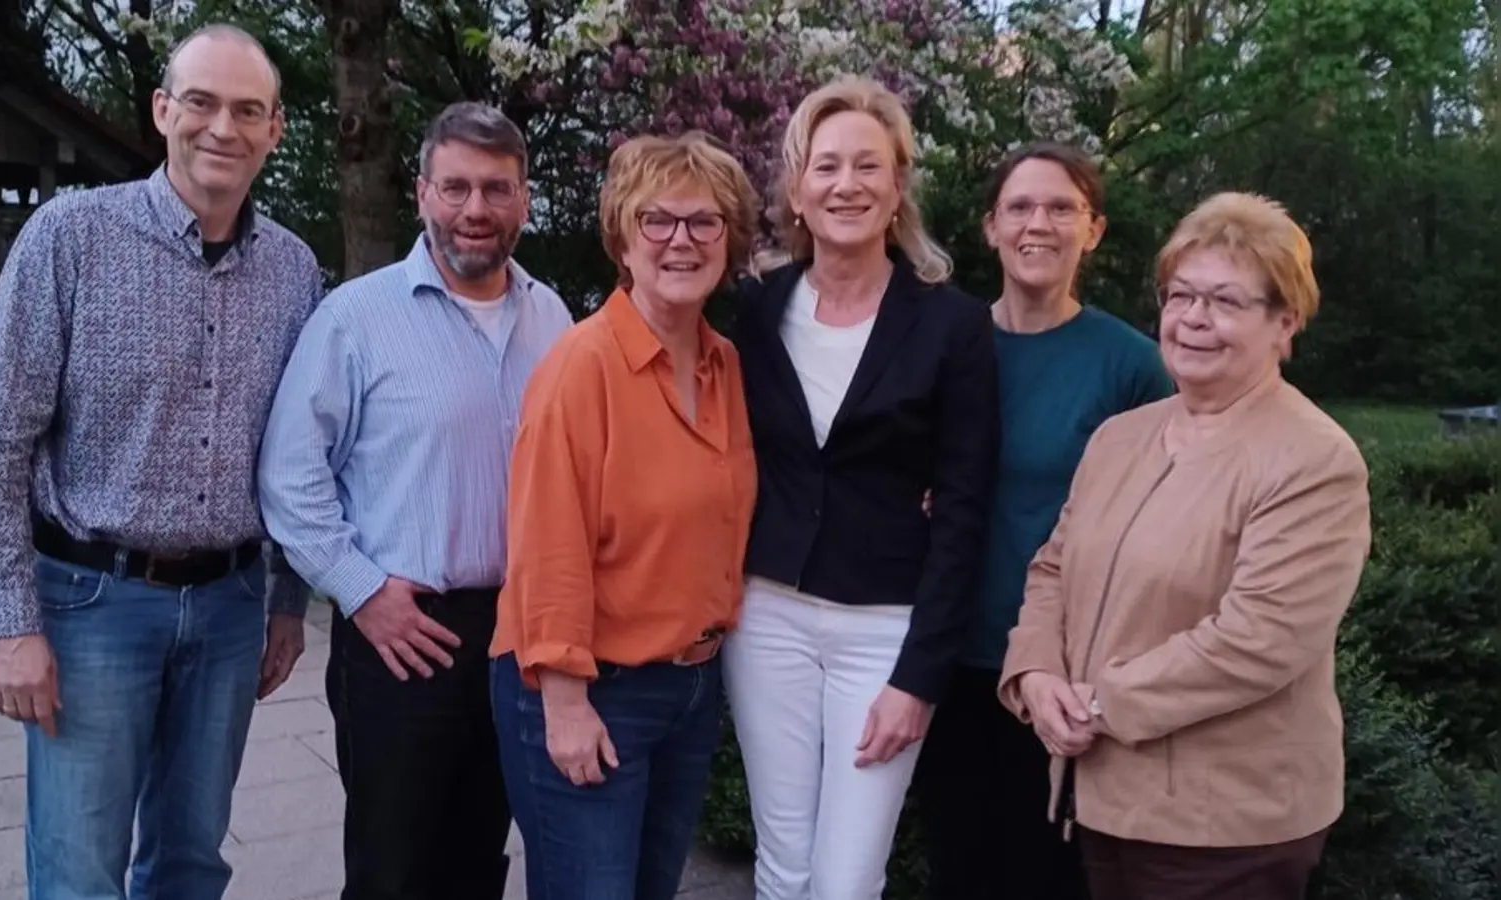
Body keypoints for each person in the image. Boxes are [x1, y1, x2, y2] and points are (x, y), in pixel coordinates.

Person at [0, 24, 319, 900]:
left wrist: (287, 600)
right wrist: (12, 627)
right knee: (79, 872)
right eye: (200, 102)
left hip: (232, 610)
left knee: (191, 865)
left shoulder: (297, 271)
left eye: (247, 110)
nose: (221, 128)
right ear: (164, 111)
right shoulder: (70, 241)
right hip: (92, 607)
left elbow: (304, 455)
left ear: (275, 131)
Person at [998, 191, 1372, 900]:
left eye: (1227, 302)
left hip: (1225, 825)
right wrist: (1037, 675)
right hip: (1104, 799)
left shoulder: (1313, 459)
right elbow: (1053, 569)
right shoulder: (1121, 437)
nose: (1196, 319)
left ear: (1285, 322)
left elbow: (1259, 638)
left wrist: (1100, 705)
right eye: (1182, 296)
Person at [256, 102, 572, 900]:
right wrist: (361, 593)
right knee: (393, 868)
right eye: (456, 187)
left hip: (516, 635)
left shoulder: (555, 319)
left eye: (496, 189)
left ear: (524, 200)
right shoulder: (355, 318)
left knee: (479, 859)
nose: (476, 210)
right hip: (402, 629)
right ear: (424, 193)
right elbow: (289, 477)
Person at [724, 75, 1000, 900]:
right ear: (798, 193)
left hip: (884, 632)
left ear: (898, 187)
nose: (847, 184)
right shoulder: (754, 308)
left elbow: (963, 511)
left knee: (846, 880)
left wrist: (919, 677)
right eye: (826, 166)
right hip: (766, 616)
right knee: (785, 866)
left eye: (867, 167)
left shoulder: (952, 326)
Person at [488, 130, 759, 900]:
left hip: (689, 689)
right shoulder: (583, 366)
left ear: (728, 240)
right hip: (585, 686)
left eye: (704, 222)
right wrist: (565, 704)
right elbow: (547, 543)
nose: (682, 240)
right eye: (658, 220)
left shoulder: (724, 365)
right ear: (623, 237)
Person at [913, 142, 1173, 899]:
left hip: (1063, 677)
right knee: (958, 869)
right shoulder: (943, 344)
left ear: (1092, 230)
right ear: (990, 227)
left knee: (1047, 878)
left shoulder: (1130, 365)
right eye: (1020, 207)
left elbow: (1164, 518)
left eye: (1062, 208)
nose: (1040, 224)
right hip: (947, 657)